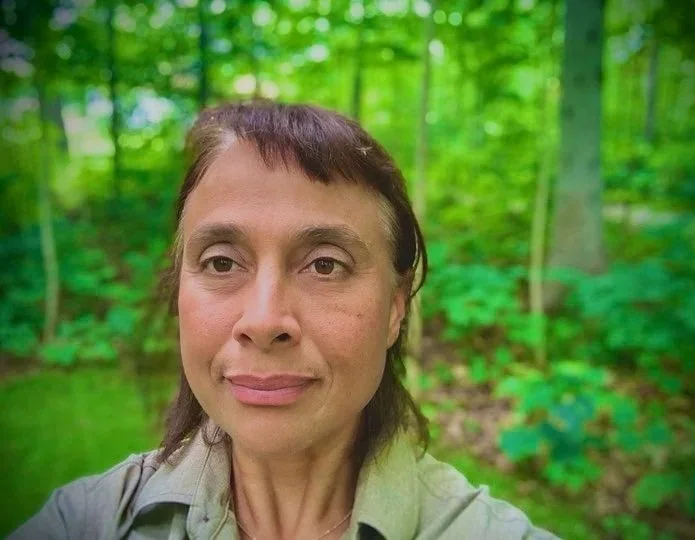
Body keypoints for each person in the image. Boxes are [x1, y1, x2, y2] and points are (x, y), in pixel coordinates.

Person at [11, 101, 557, 540]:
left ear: (395, 308)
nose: (264, 319)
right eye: (221, 262)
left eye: (325, 265)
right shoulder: (84, 522)